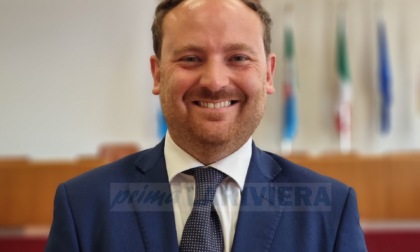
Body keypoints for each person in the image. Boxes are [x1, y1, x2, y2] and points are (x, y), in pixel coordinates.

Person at [46, 0, 367, 251]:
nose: (214, 82)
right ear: (157, 74)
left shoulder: (330, 211)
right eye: (190, 58)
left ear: (269, 74)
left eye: (238, 57)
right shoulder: (83, 205)